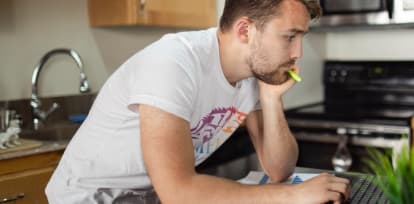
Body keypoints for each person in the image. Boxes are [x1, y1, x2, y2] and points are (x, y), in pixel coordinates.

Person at [45, 0, 350, 203]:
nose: (298, 53)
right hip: (88, 197)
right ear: (245, 30)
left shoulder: (252, 75)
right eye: (289, 37)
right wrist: (293, 196)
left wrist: (270, 100)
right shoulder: (173, 62)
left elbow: (279, 169)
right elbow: (178, 190)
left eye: (301, 38)